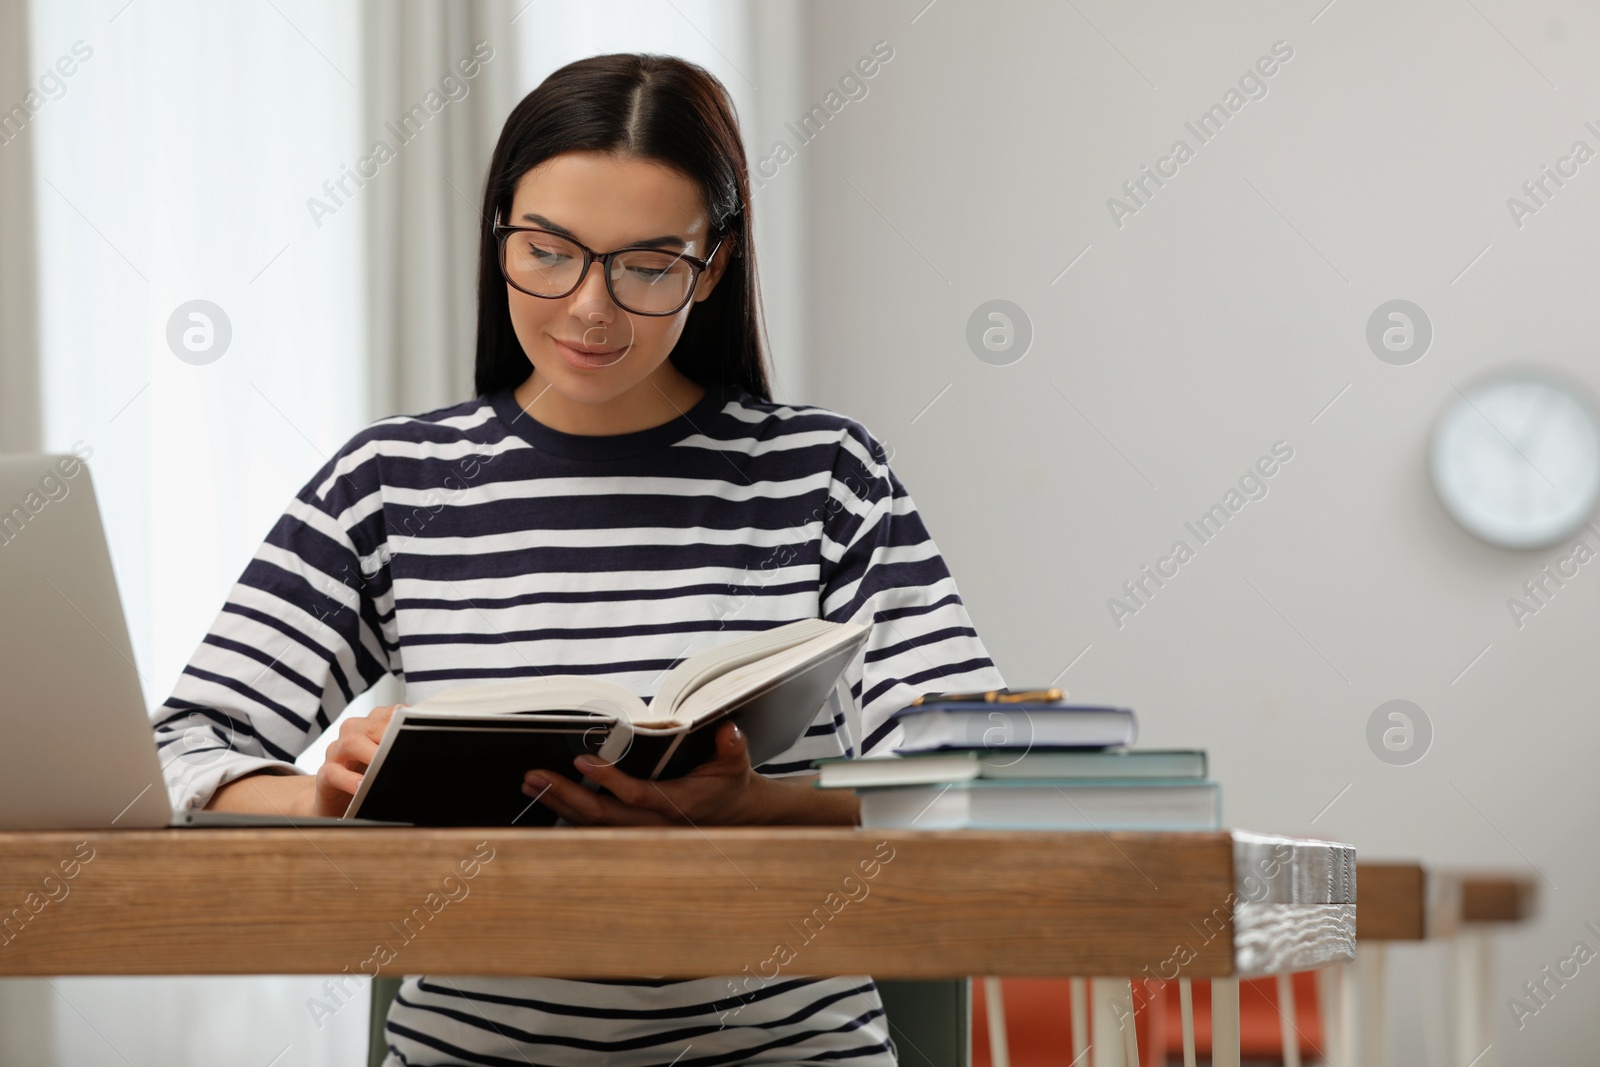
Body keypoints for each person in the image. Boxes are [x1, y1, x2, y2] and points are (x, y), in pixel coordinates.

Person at [153, 52, 1004, 1067]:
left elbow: (970, 768)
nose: (590, 308)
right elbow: (181, 744)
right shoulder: (391, 482)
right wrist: (322, 802)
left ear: (714, 262)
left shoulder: (823, 475)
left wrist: (757, 807)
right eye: (549, 252)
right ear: (499, 231)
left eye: (648, 265)